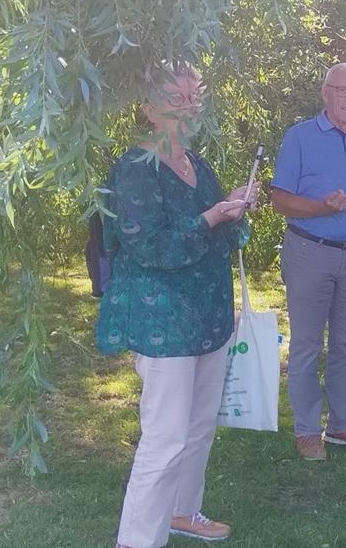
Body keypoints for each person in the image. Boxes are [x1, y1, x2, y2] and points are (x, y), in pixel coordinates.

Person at [95, 62, 256, 547]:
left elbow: (220, 235)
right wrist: (211, 216)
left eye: (194, 96)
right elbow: (149, 248)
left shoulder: (197, 163)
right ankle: (137, 540)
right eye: (177, 97)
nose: (189, 106)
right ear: (148, 109)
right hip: (162, 316)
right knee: (164, 438)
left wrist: (231, 208)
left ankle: (183, 512)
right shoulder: (135, 169)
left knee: (200, 424)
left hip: (207, 313)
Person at [271, 62, 346, 460]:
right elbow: (279, 200)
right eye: (343, 91)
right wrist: (321, 207)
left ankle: (344, 425)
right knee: (307, 344)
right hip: (310, 250)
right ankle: (307, 430)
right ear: (326, 92)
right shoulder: (300, 137)